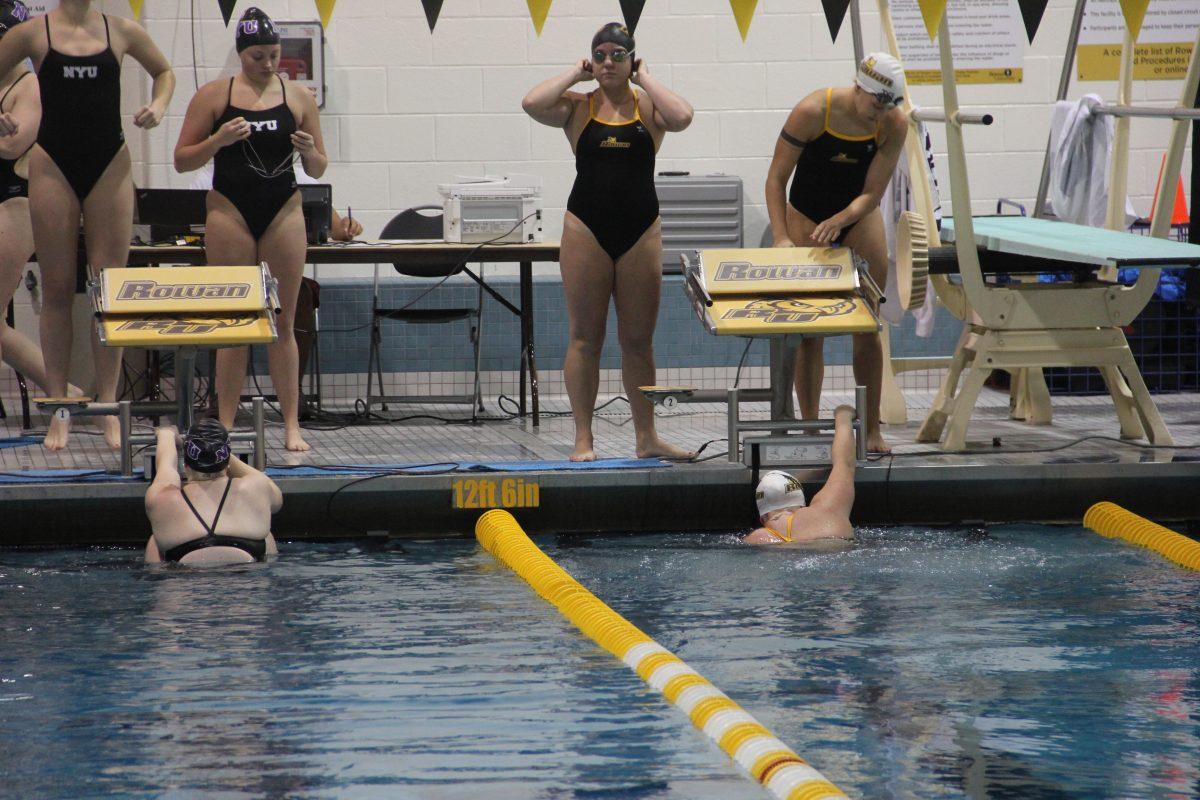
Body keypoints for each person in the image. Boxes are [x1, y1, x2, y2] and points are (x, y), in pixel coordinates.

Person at [0, 0, 173, 451]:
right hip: (53, 163)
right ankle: (59, 406)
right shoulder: (33, 34)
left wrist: (159, 104)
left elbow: (165, 72)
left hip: (109, 164)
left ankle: (107, 408)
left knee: (108, 290)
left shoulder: (122, 32)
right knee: (57, 289)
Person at [522, 22, 694, 462]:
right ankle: (584, 438)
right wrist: (574, 74)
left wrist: (645, 76)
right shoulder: (578, 106)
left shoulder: (648, 107)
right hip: (586, 228)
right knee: (585, 338)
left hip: (640, 231)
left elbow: (683, 117)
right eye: (600, 55)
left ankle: (647, 437)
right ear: (590, 60)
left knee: (639, 341)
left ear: (632, 60)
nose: (608, 63)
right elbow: (531, 103)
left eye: (619, 55)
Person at [173, 7, 327, 452]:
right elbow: (183, 160)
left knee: (282, 321)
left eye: (274, 54)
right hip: (229, 211)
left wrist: (310, 148)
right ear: (242, 54)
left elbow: (319, 165)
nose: (268, 63)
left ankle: (292, 425)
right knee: (234, 323)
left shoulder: (297, 98)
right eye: (259, 55)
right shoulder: (213, 96)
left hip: (283, 209)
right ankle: (222, 423)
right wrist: (218, 140)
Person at [765, 53, 908, 454]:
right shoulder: (813, 111)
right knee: (809, 332)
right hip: (805, 217)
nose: (879, 113)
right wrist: (781, 237)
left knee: (867, 326)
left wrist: (841, 219)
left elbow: (871, 194)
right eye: (876, 102)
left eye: (889, 104)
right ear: (858, 86)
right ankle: (811, 427)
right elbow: (775, 180)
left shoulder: (893, 123)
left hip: (858, 218)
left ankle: (872, 428)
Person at [144, 418, 282, 565]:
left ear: (186, 465)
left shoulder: (162, 497)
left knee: (155, 541)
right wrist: (217, 453)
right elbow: (277, 503)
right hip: (246, 580)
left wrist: (166, 434)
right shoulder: (257, 487)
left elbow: (166, 465)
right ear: (227, 461)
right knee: (266, 536)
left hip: (185, 581)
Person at [0, 0, 51, 395]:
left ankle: (76, 403)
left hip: (15, 207)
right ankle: (73, 400)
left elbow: (13, 144)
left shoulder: (29, 85)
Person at [745, 405, 857, 544]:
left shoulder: (763, 536)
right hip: (838, 547)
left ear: (762, 519)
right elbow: (845, 463)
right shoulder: (829, 507)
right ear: (802, 504)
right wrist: (843, 415)